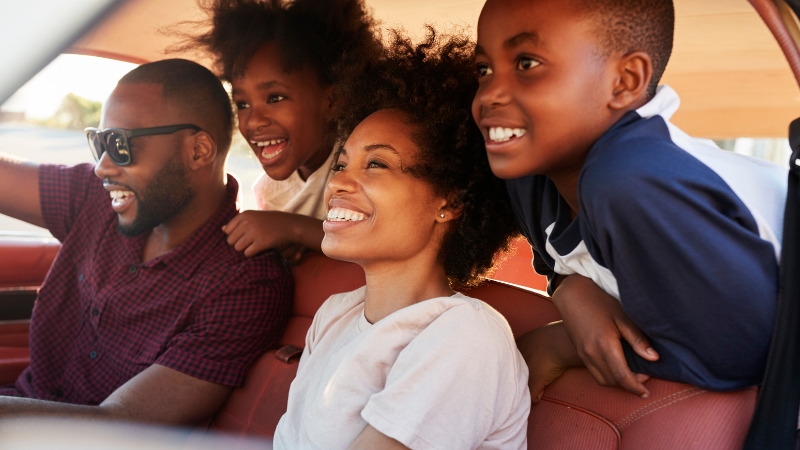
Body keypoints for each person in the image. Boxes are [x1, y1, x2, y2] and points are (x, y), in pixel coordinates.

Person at [472, 0, 788, 402]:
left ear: (625, 80)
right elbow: (562, 260)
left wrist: (559, 345)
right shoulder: (532, 175)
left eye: (527, 64)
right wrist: (569, 287)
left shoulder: (629, 179)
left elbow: (744, 354)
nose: (490, 94)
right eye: (483, 70)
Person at [0, 59, 293, 425]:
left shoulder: (245, 283)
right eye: (99, 142)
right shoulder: (96, 198)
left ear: (199, 151)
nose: (102, 166)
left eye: (120, 144)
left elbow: (121, 424)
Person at [274, 31, 528, 450]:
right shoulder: (336, 314)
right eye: (341, 163)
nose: (338, 181)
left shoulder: (465, 335)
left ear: (449, 201)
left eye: (376, 163)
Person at [182, 0, 381, 263]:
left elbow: (382, 243)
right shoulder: (271, 192)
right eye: (242, 104)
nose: (252, 122)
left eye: (275, 98)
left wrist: (293, 228)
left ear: (333, 101)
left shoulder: (369, 164)